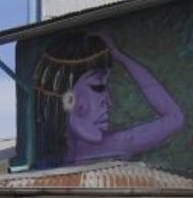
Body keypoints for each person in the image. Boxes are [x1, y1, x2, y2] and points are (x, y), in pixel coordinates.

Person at [33, 31, 184, 167]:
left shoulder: (115, 145)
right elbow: (174, 117)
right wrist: (121, 58)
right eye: (98, 87)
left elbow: (175, 118)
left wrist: (121, 57)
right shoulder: (115, 145)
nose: (108, 101)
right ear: (67, 100)